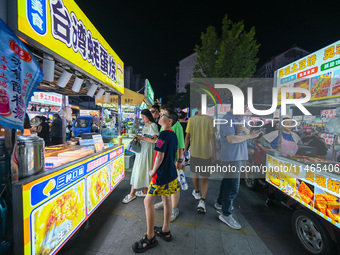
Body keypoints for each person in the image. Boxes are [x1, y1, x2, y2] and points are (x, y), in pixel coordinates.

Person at [132, 109, 179, 253]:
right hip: (171, 174)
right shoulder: (173, 135)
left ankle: (150, 237)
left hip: (160, 175)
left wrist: (153, 171)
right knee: (166, 200)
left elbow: (159, 155)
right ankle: (165, 230)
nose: (158, 116)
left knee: (147, 202)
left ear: (169, 121)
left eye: (163, 115)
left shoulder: (163, 134)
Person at [215, 103, 262, 230]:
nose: (245, 111)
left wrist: (248, 132)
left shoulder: (238, 119)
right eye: (243, 108)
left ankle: (220, 203)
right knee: (233, 187)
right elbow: (231, 139)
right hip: (232, 158)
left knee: (227, 182)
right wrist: (249, 136)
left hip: (238, 156)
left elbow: (244, 133)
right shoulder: (227, 120)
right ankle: (226, 214)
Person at [154, 104, 184, 222]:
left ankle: (174, 209)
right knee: (165, 183)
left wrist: (179, 160)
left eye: (163, 113)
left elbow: (181, 145)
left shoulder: (177, 126)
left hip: (173, 161)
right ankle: (165, 201)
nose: (161, 115)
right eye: (161, 113)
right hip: (164, 161)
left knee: (175, 186)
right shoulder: (163, 126)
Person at [184, 104, 216, 213]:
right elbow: (212, 137)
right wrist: (214, 152)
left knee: (195, 174)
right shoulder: (210, 120)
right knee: (205, 177)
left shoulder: (192, 120)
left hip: (194, 152)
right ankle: (202, 201)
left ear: (197, 108)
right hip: (206, 153)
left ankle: (197, 191)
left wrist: (184, 150)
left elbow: (188, 137)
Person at [122, 109, 159, 203]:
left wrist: (141, 138)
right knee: (143, 169)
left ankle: (132, 193)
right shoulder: (146, 125)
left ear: (148, 116)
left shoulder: (153, 125)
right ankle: (145, 190)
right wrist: (140, 138)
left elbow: (154, 140)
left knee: (140, 169)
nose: (142, 119)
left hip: (147, 151)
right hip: (143, 150)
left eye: (143, 117)